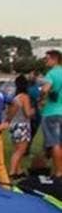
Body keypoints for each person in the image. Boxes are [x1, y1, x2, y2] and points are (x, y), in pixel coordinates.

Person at [7, 74, 34, 179]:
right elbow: (27, 113)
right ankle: (12, 171)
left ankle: (18, 170)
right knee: (21, 151)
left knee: (16, 149)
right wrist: (34, 111)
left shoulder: (15, 97)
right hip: (23, 125)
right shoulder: (24, 97)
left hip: (14, 125)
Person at [40, 49, 62, 177]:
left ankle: (59, 172)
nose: (45, 61)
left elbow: (45, 89)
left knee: (55, 143)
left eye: (47, 59)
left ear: (55, 59)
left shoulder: (51, 74)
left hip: (52, 112)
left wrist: (42, 95)